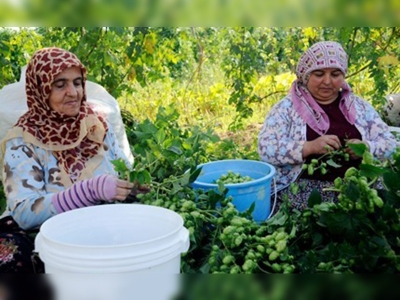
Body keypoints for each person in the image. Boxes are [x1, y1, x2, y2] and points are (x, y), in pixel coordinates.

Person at [0, 47, 136, 273]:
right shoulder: (23, 140)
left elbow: (122, 171)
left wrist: (132, 186)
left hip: (98, 222)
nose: (73, 92)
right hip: (42, 233)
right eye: (60, 84)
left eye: (78, 82)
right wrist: (89, 191)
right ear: (41, 90)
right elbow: (24, 212)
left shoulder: (97, 125)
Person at [258, 41, 397, 211]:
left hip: (359, 188)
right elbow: (266, 148)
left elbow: (390, 143)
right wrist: (309, 147)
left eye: (335, 74)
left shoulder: (359, 107)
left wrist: (367, 147)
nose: (327, 81)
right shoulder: (286, 109)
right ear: (305, 75)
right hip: (303, 191)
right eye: (319, 73)